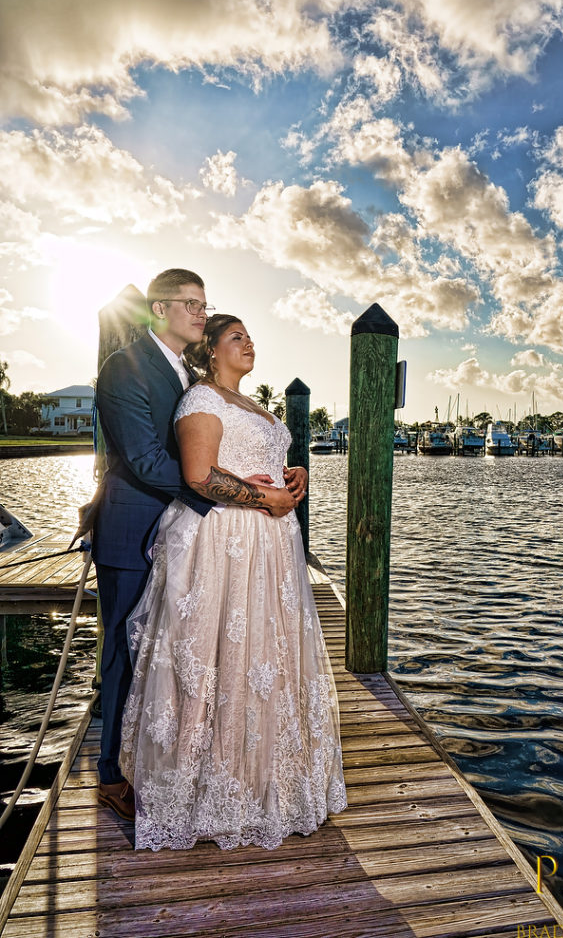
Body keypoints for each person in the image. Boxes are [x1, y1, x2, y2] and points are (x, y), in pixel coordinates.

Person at [119, 314, 346, 851]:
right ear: (212, 352)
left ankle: (271, 781)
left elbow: (266, 460)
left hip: (271, 547)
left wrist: (297, 476)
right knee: (216, 654)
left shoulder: (256, 407)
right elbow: (199, 475)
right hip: (226, 542)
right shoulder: (201, 402)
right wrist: (266, 498)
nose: (249, 342)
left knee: (268, 658)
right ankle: (208, 790)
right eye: (236, 336)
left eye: (251, 335)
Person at [93, 271, 301, 821]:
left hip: (193, 530)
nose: (201, 313)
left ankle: (182, 756)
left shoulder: (190, 374)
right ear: (158, 309)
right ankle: (113, 771)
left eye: (205, 305)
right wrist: (225, 489)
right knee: (126, 648)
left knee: (184, 649)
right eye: (191, 304)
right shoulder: (125, 367)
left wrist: (265, 476)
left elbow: (217, 440)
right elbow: (143, 460)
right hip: (134, 526)